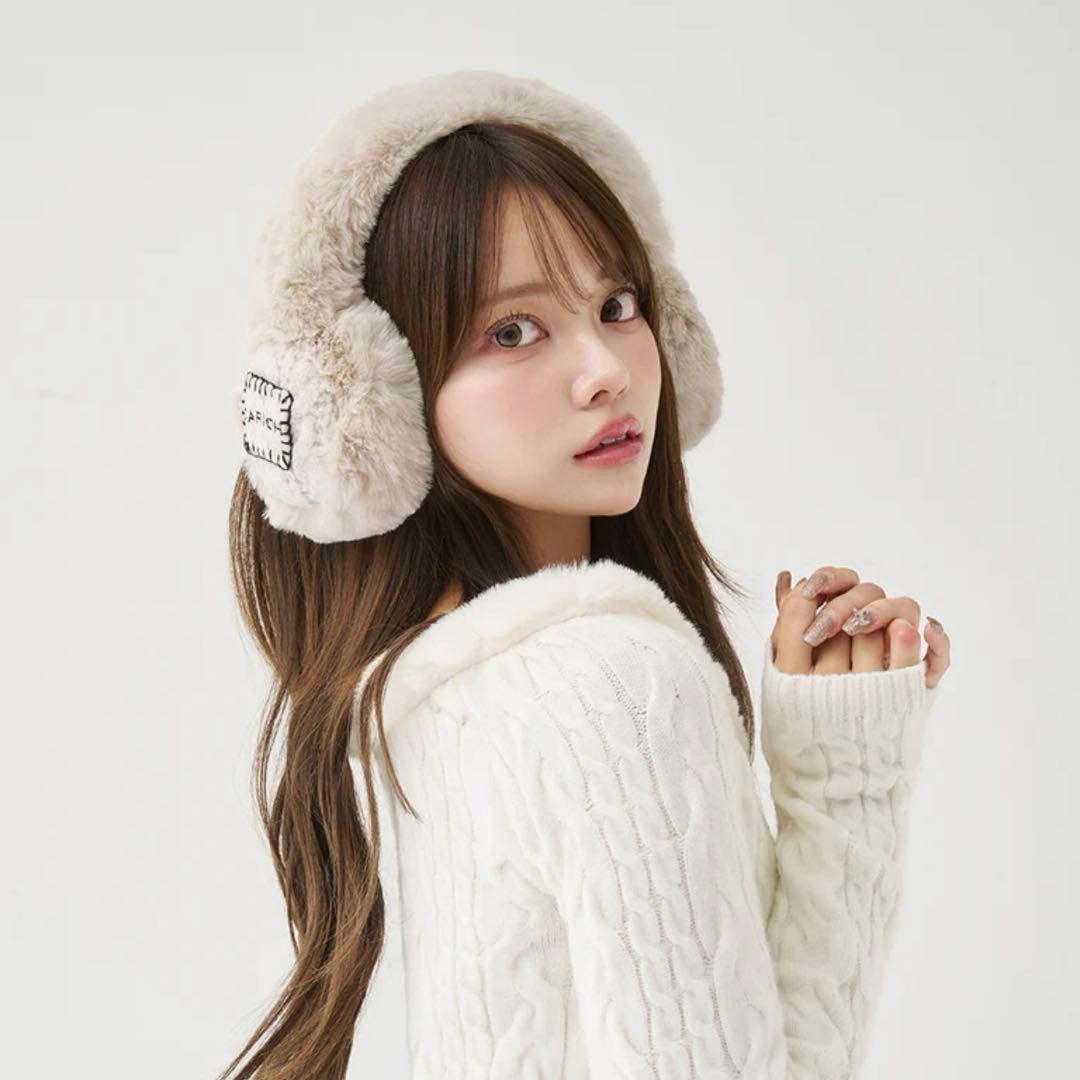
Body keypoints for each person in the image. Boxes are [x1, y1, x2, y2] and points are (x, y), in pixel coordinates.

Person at [222, 70, 951, 1080]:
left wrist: (839, 759)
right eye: (512, 331)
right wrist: (850, 782)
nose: (607, 369)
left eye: (617, 304)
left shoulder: (421, 699)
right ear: (379, 408)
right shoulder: (613, 682)